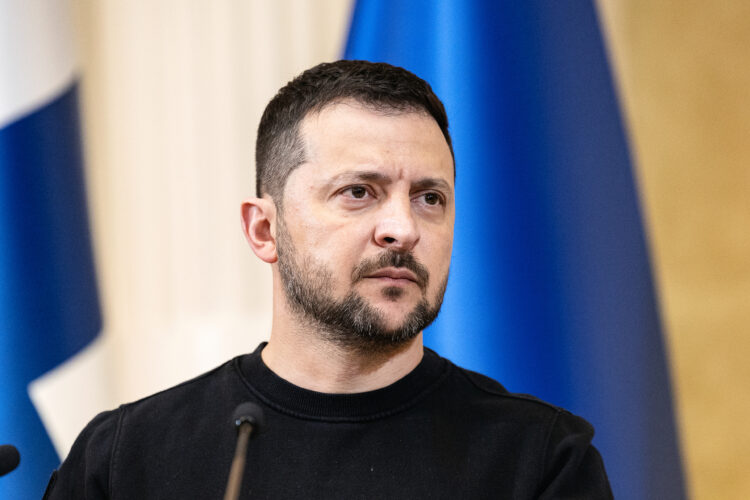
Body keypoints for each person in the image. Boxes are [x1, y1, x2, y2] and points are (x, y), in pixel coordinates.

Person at [45, 60, 612, 499]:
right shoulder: (127, 460)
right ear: (265, 229)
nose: (402, 228)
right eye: (358, 192)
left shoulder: (540, 460)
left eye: (429, 198)